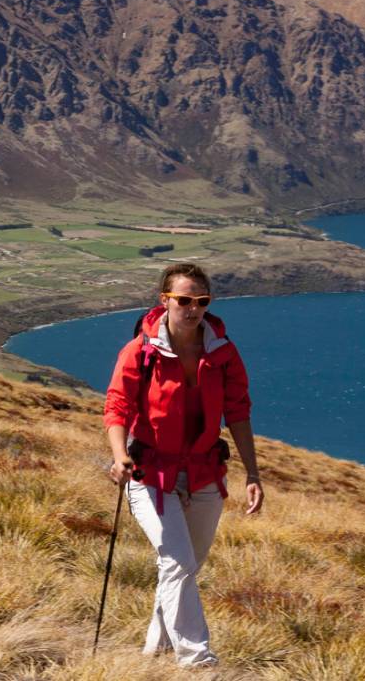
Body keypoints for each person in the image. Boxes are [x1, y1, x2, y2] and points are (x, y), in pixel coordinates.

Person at [103, 263, 263, 669]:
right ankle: (197, 661)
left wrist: (253, 473)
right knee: (177, 563)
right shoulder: (140, 351)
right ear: (165, 301)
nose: (193, 309)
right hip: (150, 474)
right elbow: (117, 406)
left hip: (206, 474)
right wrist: (121, 455)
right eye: (184, 301)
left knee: (185, 569)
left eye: (202, 302)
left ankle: (154, 652)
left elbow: (238, 411)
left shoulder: (223, 352)